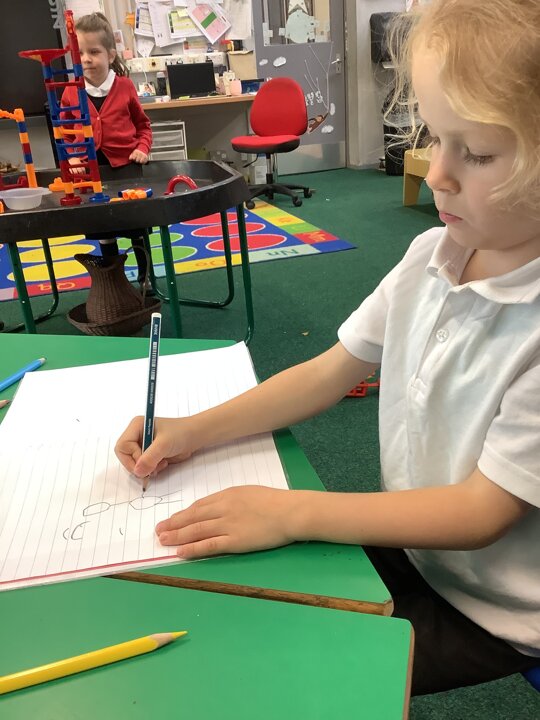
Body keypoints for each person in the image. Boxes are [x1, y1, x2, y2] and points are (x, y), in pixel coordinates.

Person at [115, 0, 540, 696]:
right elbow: (328, 372)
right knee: (234, 600)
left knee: (292, 681)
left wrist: (294, 512)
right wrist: (193, 429)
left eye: (479, 153)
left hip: (497, 609)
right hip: (417, 545)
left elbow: (480, 513)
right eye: (435, 136)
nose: (436, 173)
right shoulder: (431, 255)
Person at [61, 12, 153, 291]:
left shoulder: (124, 87)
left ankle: (146, 278)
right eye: (80, 53)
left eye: (94, 52)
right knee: (104, 228)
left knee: (136, 227)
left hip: (126, 169)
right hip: (92, 173)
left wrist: (142, 148)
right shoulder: (71, 91)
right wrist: (73, 155)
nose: (86, 59)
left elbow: (143, 126)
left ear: (110, 55)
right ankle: (116, 283)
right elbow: (65, 132)